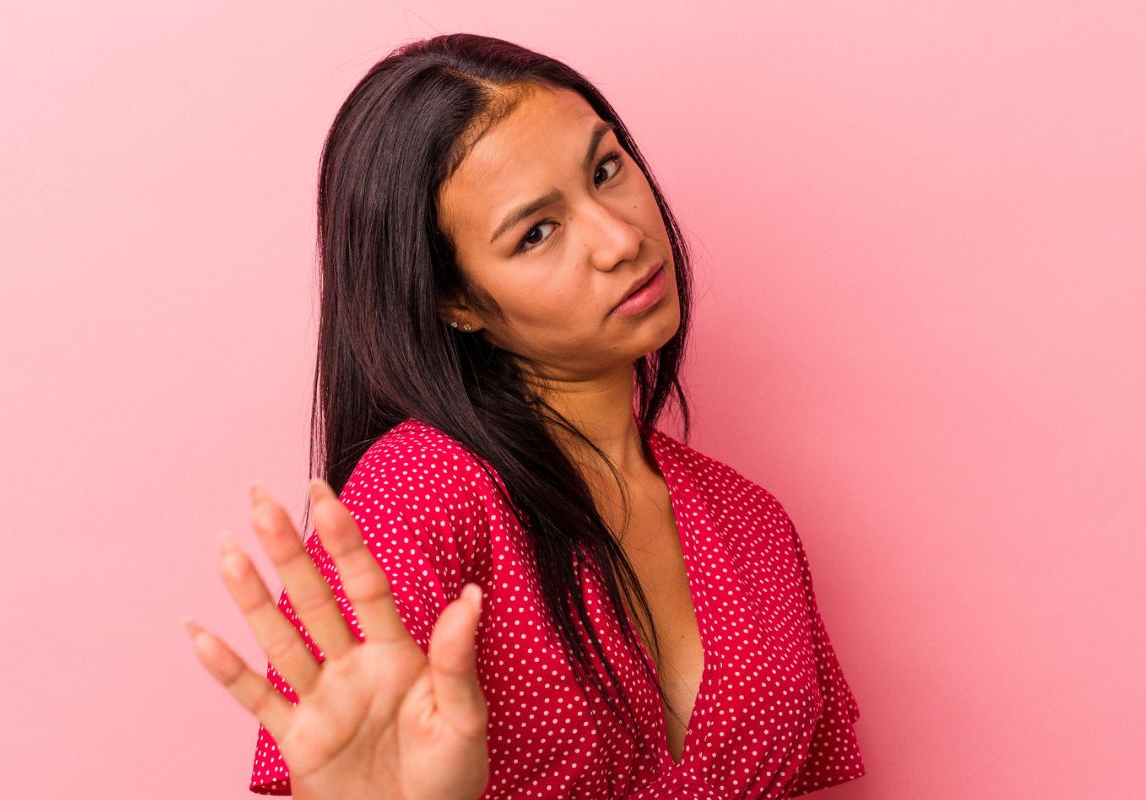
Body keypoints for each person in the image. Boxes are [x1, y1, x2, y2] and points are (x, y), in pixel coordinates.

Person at [182, 33, 865, 799]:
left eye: (606, 170)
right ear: (457, 300)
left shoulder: (755, 524)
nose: (621, 238)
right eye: (536, 232)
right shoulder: (421, 491)